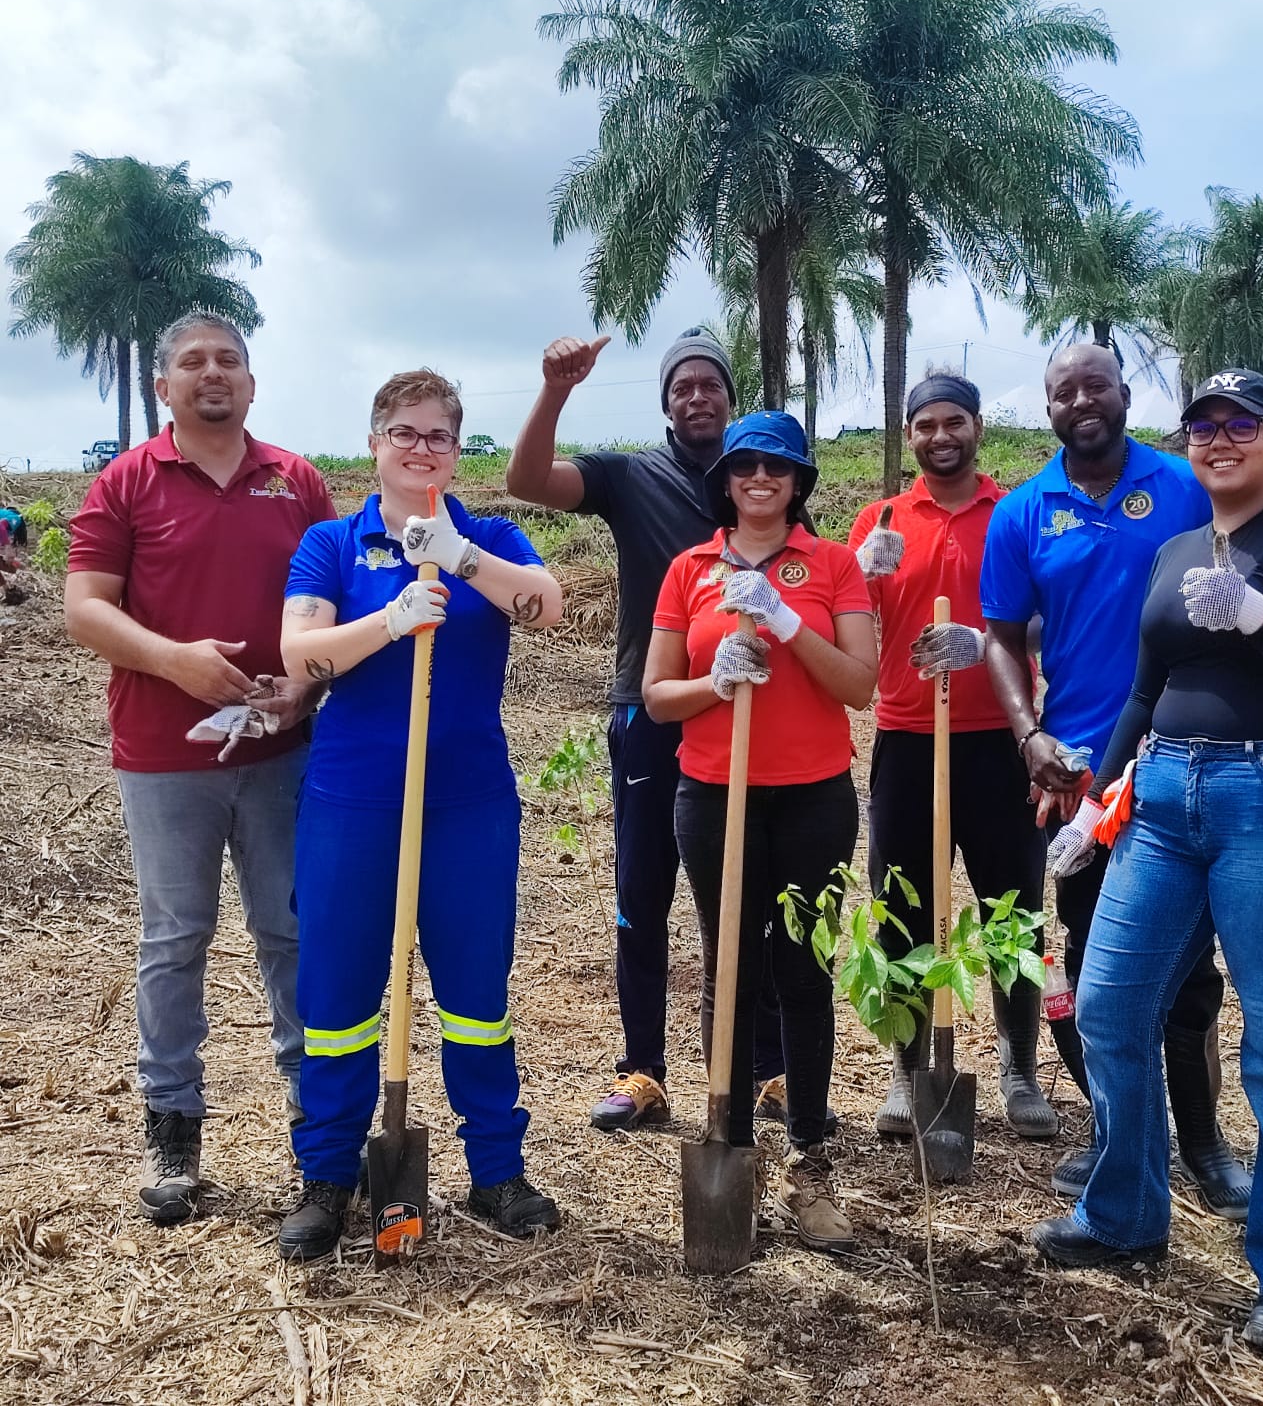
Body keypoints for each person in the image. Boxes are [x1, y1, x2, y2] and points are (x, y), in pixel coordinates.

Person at [1031, 367, 1263, 1359]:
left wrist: (1261, 618)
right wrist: (1100, 801)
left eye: (1241, 423)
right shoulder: (1176, 550)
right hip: (1166, 795)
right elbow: (1145, 689)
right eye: (1205, 425)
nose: (1220, 438)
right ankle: (1125, 1211)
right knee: (1108, 1004)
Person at [275, 369, 564, 1260]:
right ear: (375, 441)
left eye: (439, 435)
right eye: (405, 432)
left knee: (477, 994)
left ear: (456, 447)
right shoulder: (331, 543)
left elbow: (548, 608)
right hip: (353, 800)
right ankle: (328, 1174)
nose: (421, 448)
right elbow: (300, 652)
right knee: (338, 997)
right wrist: (391, 621)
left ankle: (495, 1171)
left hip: (468, 803)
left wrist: (460, 556)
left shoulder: (491, 535)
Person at [65, 312, 335, 1225]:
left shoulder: (294, 481)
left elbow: (331, 602)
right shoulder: (125, 483)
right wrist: (174, 658)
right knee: (176, 939)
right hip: (162, 754)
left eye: (228, 360)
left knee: (290, 933)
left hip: (280, 752)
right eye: (192, 362)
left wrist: (303, 690)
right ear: (163, 388)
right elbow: (86, 610)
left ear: (252, 385)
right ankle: (172, 1122)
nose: (211, 373)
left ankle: (317, 1123)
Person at [980, 343, 1252, 1215]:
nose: (1081, 402)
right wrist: (1031, 736)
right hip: (1083, 779)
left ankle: (1204, 1144)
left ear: (1126, 395)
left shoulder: (1183, 486)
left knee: (1191, 973)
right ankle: (1116, 1134)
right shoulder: (1025, 511)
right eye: (1063, 392)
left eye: (1095, 385)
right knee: (1099, 968)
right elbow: (999, 634)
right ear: (1049, 409)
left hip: (1188, 758)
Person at [507, 329, 797, 1133]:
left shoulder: (763, 478)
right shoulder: (632, 476)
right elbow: (525, 479)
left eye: (710, 383)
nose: (696, 395)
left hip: (749, 710)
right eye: (682, 386)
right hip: (650, 712)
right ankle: (643, 1070)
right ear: (665, 401)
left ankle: (769, 1068)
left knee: (752, 890)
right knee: (643, 889)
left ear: (730, 397)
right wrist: (557, 389)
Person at [642, 412, 876, 1252]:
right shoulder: (689, 569)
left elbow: (858, 684)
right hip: (714, 799)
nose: (760, 479)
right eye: (745, 466)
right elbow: (657, 695)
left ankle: (812, 1161)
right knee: (729, 967)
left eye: (778, 467)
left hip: (812, 799)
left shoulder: (834, 565)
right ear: (727, 480)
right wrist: (714, 679)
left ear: (799, 481)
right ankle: (730, 1141)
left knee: (805, 975)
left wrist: (782, 620)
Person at [848, 371, 1051, 1140]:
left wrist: (989, 643)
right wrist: (862, 575)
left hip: (1002, 741)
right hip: (907, 739)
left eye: (954, 422)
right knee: (902, 911)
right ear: (909, 436)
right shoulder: (882, 519)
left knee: (1015, 911)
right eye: (926, 424)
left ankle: (1017, 1068)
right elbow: (847, 628)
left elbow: (1047, 621)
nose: (941, 436)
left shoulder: (1018, 514)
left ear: (977, 429)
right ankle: (907, 1072)